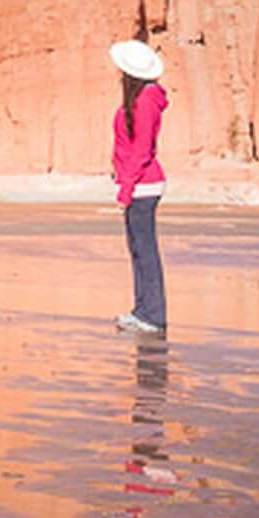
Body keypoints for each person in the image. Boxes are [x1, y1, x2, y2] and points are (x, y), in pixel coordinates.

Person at [108, 40, 168, 335]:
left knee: (144, 251)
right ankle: (143, 311)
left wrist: (125, 190)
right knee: (138, 250)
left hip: (143, 186)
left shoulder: (144, 100)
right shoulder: (143, 98)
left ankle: (152, 316)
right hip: (140, 184)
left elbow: (142, 149)